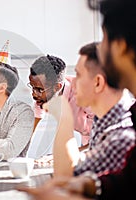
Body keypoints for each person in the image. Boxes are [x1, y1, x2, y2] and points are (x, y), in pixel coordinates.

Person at [18, 0, 136, 199]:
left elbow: (73, 169)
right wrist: (88, 185)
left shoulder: (121, 135)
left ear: (121, 47)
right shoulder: (109, 120)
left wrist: (63, 115)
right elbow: (125, 180)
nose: (100, 49)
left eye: (104, 39)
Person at [52, 42, 135, 177]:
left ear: (98, 83)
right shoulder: (101, 121)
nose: (72, 83)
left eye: (78, 75)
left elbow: (66, 177)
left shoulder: (121, 137)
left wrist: (65, 116)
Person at [27, 55, 94, 160]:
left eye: (39, 89)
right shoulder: (43, 96)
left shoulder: (83, 92)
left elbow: (100, 140)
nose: (34, 94)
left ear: (57, 87)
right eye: (32, 87)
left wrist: (57, 157)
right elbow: (32, 128)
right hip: (87, 140)